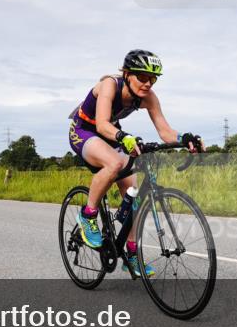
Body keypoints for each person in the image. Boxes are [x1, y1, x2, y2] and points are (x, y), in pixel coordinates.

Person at [67, 50, 203, 278]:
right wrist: (124, 137)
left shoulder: (148, 97)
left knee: (135, 196)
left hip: (112, 134)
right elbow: (101, 124)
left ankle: (131, 254)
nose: (148, 83)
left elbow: (165, 131)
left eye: (153, 78)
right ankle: (88, 215)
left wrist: (184, 139)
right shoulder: (109, 85)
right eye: (142, 77)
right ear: (127, 74)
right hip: (85, 129)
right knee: (115, 164)